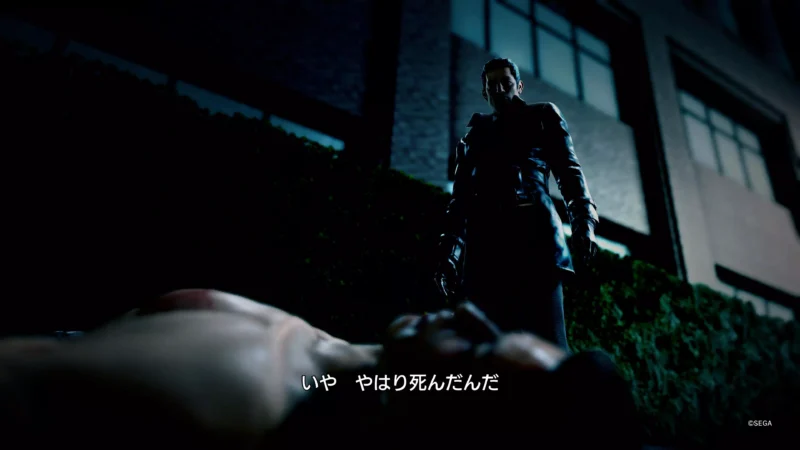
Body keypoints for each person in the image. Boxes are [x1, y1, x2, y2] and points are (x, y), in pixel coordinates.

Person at [0, 289, 642, 449]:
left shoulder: (244, 392)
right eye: (494, 326)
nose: (470, 311)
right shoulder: (318, 348)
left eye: (478, 351)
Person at [434, 57, 599, 351]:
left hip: (534, 238)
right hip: (487, 247)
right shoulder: (473, 138)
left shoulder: (542, 116)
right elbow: (460, 200)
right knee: (491, 348)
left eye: (506, 83)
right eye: (492, 85)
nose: (499, 89)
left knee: (550, 346)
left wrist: (583, 221)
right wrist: (451, 251)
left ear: (519, 86)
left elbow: (569, 172)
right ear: (484, 92)